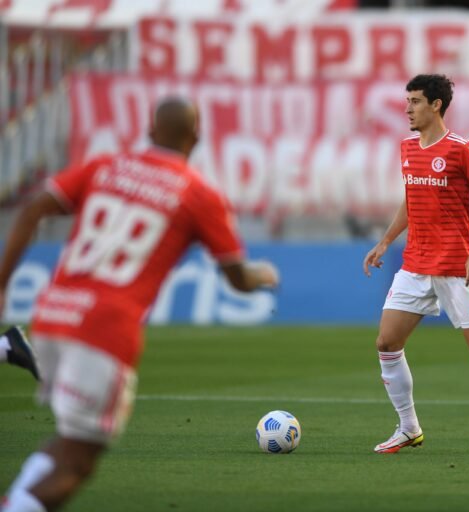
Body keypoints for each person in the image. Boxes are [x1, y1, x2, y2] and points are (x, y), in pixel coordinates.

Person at [0, 97, 279, 512]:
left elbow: (32, 209)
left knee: (67, 442)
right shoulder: (198, 192)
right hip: (104, 332)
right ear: (196, 137)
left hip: (54, 316)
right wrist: (263, 275)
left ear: (149, 132)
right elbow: (237, 278)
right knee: (78, 461)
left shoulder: (104, 166)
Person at [363, 74, 469, 456]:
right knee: (387, 343)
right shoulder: (408, 147)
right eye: (407, 101)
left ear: (436, 105)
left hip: (455, 266)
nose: (407, 108)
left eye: (415, 101)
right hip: (415, 263)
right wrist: (385, 241)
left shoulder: (462, 150)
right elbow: (411, 200)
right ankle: (408, 428)